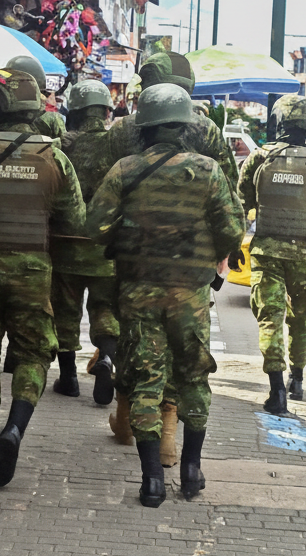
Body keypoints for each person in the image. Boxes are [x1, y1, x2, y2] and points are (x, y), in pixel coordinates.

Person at [87, 83, 245, 507]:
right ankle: (191, 470)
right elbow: (232, 230)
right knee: (193, 377)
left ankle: (152, 481)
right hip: (190, 294)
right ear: (185, 126)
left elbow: (94, 226)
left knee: (146, 379)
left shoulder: (124, 169)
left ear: (144, 127)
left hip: (138, 292)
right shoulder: (208, 170)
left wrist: (127, 236)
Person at [0, 69, 84, 488]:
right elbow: (75, 219)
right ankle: (14, 430)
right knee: (33, 354)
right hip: (34, 272)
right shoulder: (56, 158)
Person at [238, 94, 306, 416]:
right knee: (300, 319)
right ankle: (296, 379)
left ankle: (277, 390)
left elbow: (239, 206)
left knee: (270, 318)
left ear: (279, 121)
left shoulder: (259, 159)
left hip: (266, 254)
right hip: (305, 255)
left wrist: (231, 245)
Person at [51, 80, 119, 402]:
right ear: (106, 112)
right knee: (105, 308)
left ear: (74, 111)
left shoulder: (62, 145)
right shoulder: (117, 146)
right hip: (105, 247)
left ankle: (68, 378)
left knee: (65, 313)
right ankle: (105, 357)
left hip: (66, 245)